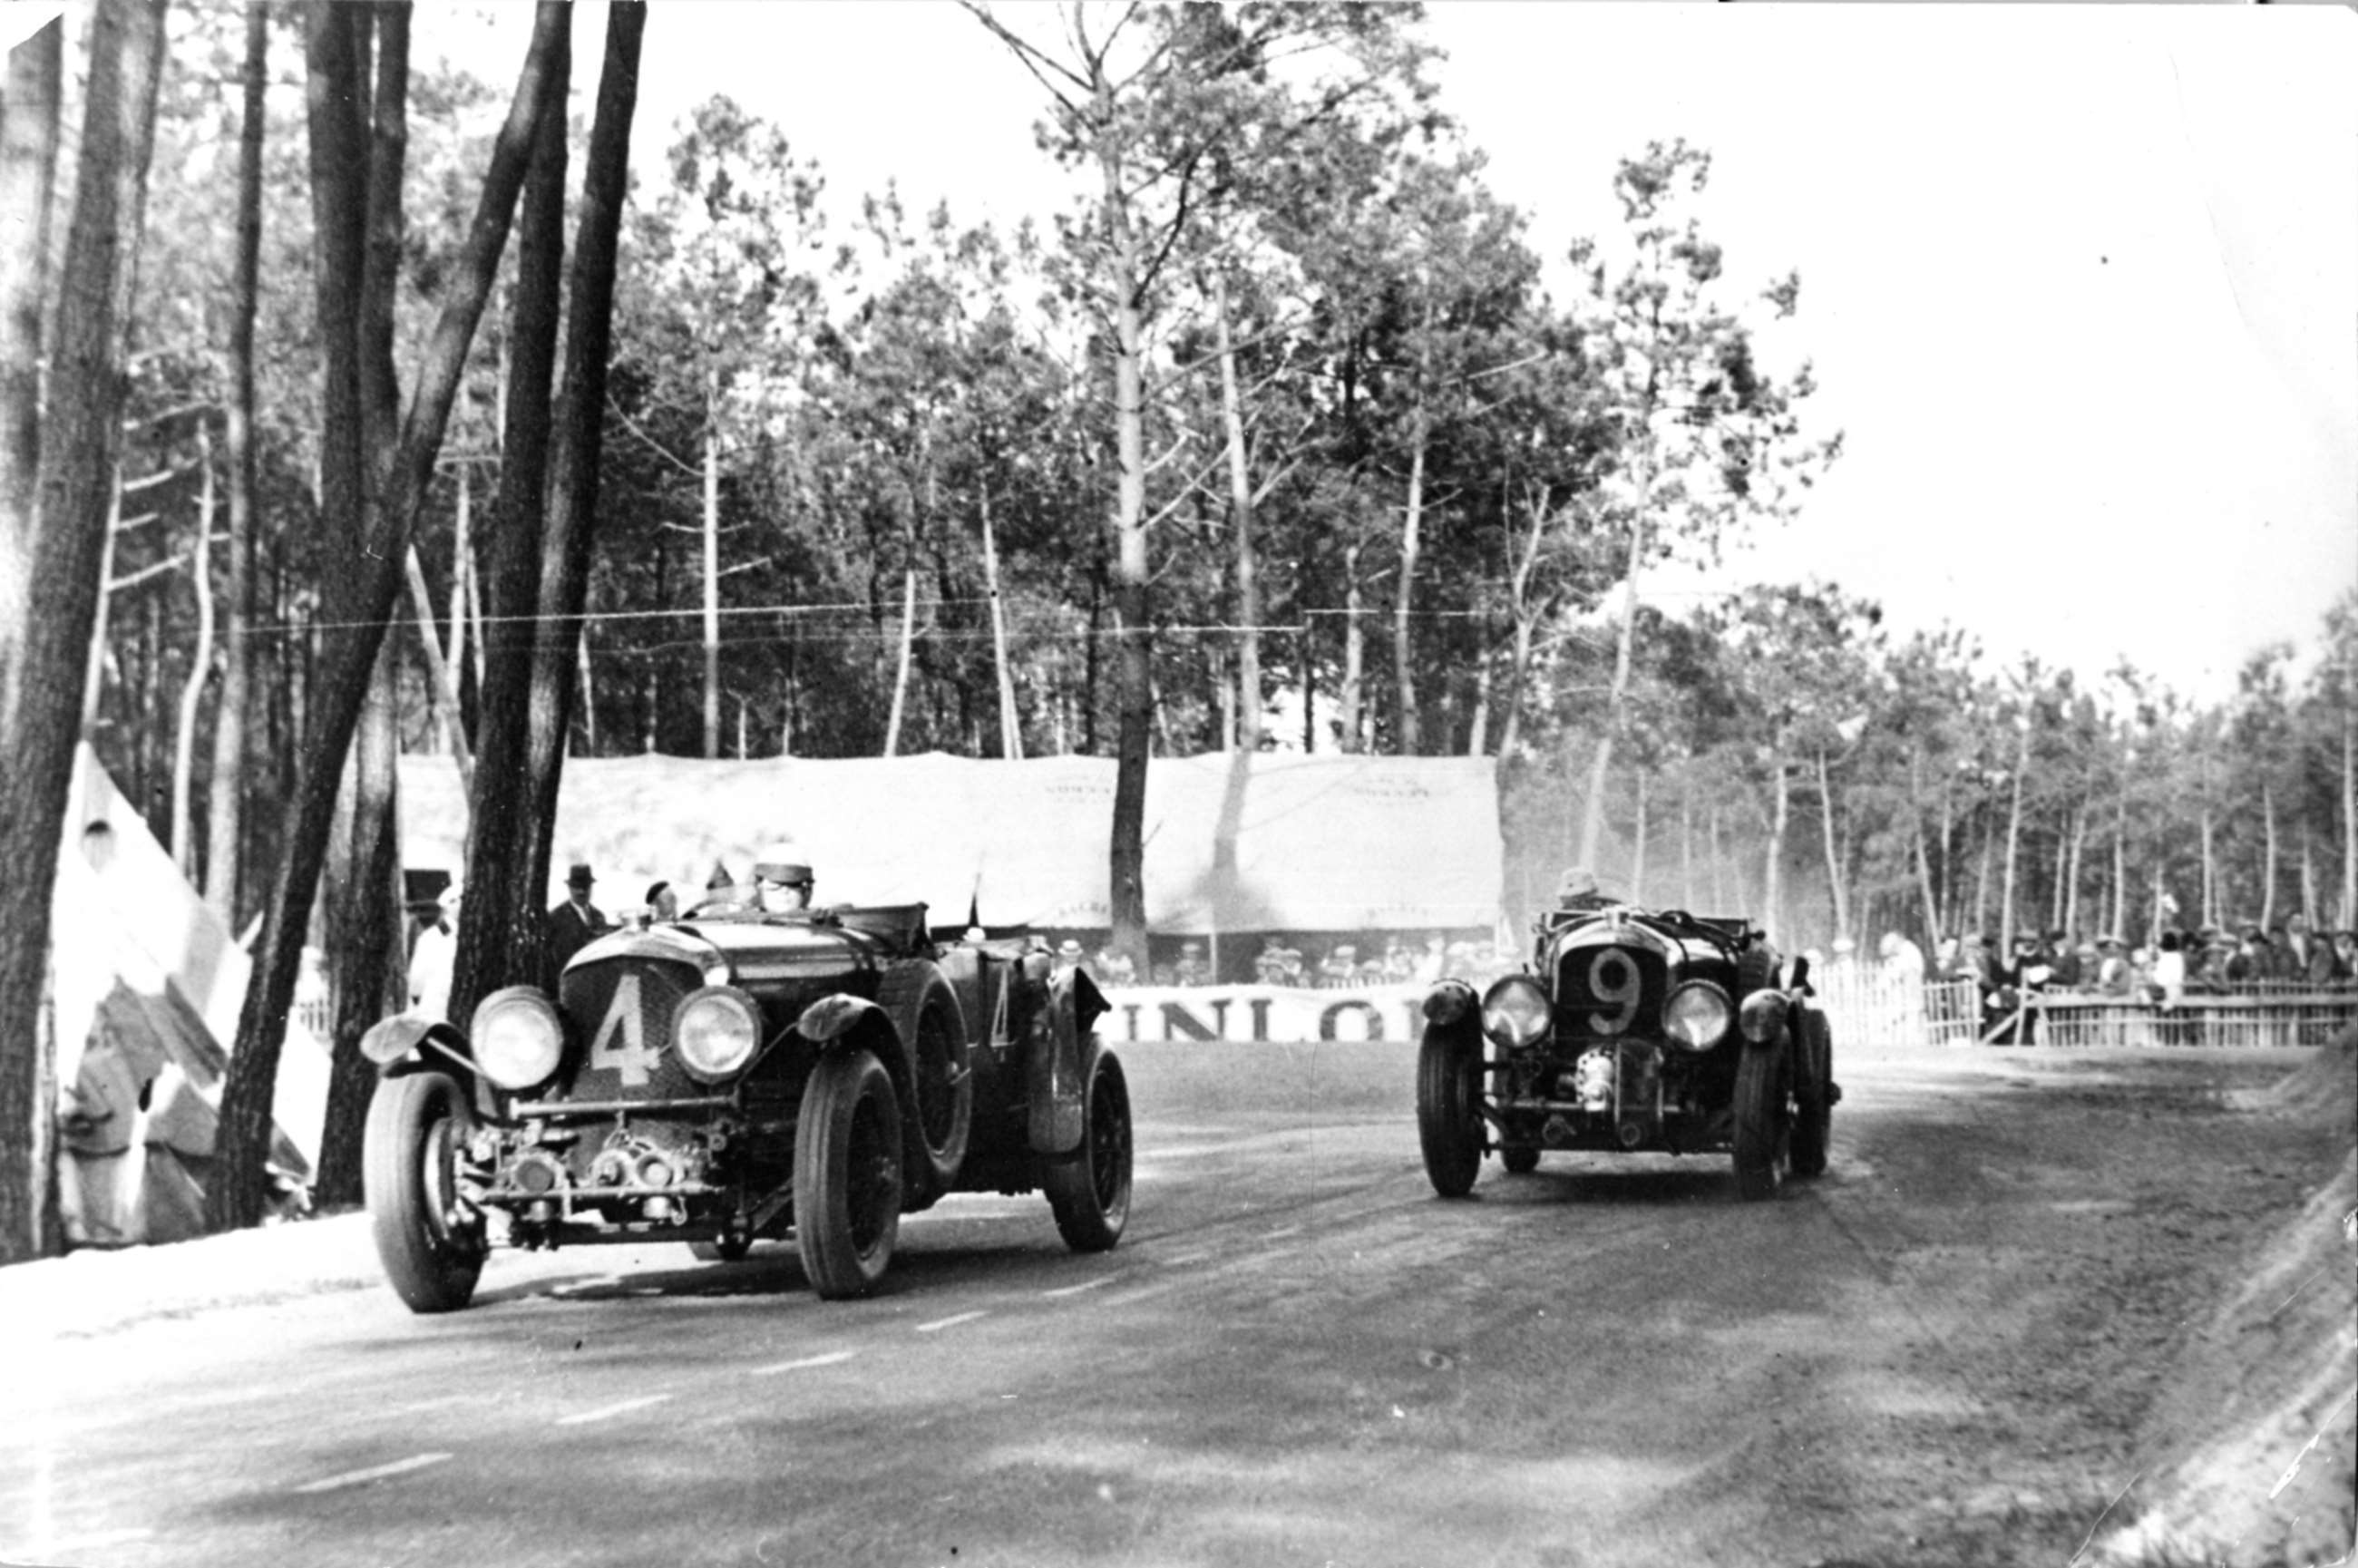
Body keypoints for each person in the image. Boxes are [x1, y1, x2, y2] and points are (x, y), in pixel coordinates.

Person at [544, 862, 609, 982]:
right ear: (569, 888)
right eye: (577, 887)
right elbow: (549, 961)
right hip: (567, 980)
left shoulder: (598, 917)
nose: (581, 892)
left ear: (591, 888)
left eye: (585, 887)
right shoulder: (556, 918)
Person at [407, 881, 460, 1019]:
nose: (460, 905)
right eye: (456, 901)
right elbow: (417, 980)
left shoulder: (435, 935)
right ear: (448, 906)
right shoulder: (432, 937)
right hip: (435, 1005)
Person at [749, 845, 816, 914]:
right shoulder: (744, 920)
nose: (784, 891)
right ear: (758, 886)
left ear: (807, 890)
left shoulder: (819, 919)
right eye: (775, 883)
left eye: (793, 884)